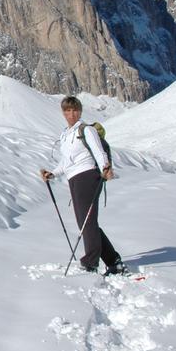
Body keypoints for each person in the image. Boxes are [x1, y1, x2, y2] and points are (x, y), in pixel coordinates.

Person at [40, 96, 127, 275]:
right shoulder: (66, 134)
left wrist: (105, 166)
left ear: (80, 111)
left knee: (87, 222)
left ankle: (90, 262)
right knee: (87, 222)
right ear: (63, 112)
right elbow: (66, 161)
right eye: (67, 110)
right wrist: (53, 173)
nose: (71, 114)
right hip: (74, 179)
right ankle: (114, 261)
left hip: (88, 175)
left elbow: (98, 150)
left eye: (74, 110)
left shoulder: (86, 130)